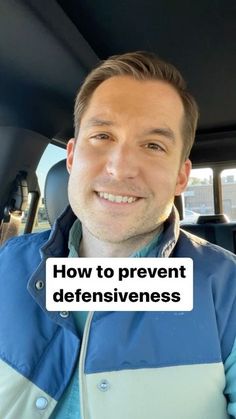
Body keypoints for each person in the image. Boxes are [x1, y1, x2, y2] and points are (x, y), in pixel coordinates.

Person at [0, 51, 236, 419]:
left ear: (180, 177)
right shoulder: (8, 262)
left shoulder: (229, 290)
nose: (121, 167)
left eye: (154, 145)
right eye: (103, 135)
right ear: (73, 157)